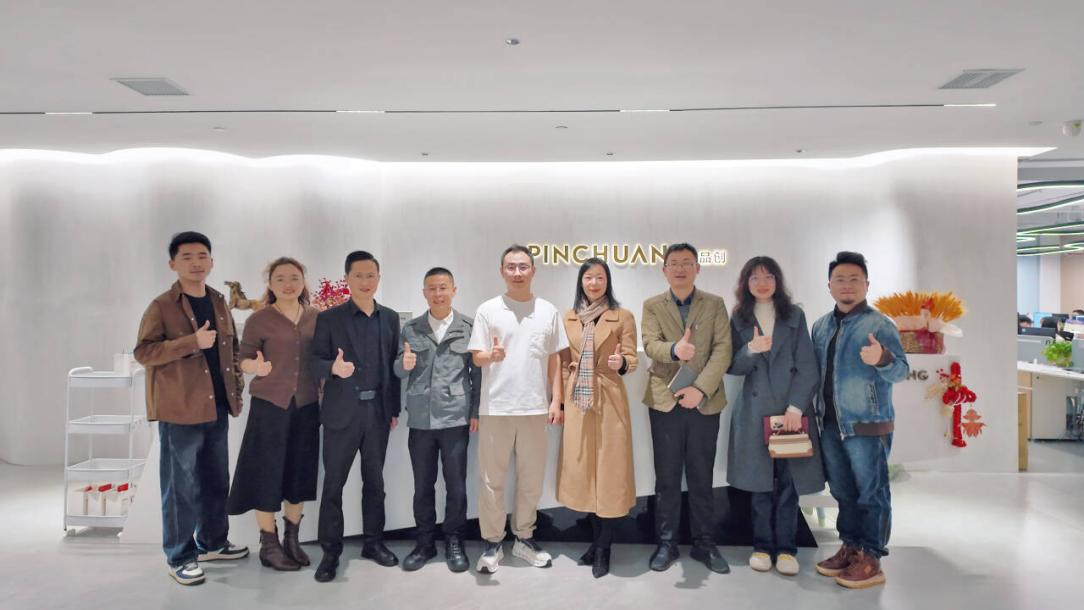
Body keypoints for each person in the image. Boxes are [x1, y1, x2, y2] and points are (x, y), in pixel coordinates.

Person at [133, 231, 248, 586]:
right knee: (179, 487)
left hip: (217, 406)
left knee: (215, 479)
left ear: (212, 262)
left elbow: (231, 350)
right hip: (180, 409)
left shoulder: (218, 300)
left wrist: (237, 389)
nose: (196, 263)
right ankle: (180, 557)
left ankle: (212, 542)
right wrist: (190, 342)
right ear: (172, 264)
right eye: (187, 257)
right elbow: (144, 352)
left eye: (202, 256)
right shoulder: (161, 306)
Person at [811, 251, 909, 589]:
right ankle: (851, 547)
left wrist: (882, 358)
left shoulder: (880, 325)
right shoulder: (821, 326)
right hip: (830, 425)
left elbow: (901, 371)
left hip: (867, 425)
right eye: (840, 279)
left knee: (872, 493)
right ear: (829, 286)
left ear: (867, 285)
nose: (847, 285)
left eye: (854, 279)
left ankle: (872, 556)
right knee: (842, 491)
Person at [468, 244, 568, 574]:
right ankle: (492, 543)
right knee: (491, 480)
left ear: (533, 270)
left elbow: (554, 360)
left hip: (535, 409)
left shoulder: (548, 311)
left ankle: (524, 538)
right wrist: (492, 356)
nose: (517, 272)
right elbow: (477, 357)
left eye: (523, 266)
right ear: (502, 271)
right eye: (511, 267)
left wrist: (556, 400)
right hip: (495, 408)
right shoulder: (488, 310)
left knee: (531, 480)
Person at [726, 256, 824, 576]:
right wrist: (750, 349)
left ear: (778, 281)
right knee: (760, 485)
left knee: (788, 485)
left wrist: (795, 407)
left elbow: (807, 366)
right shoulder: (738, 317)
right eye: (755, 278)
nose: (762, 283)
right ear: (746, 283)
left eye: (768, 276)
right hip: (755, 411)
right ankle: (762, 546)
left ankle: (786, 549)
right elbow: (732, 366)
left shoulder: (794, 315)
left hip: (790, 412)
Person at [309, 251, 402, 583]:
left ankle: (373, 544)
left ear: (378, 278)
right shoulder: (329, 319)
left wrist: (393, 409)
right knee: (334, 485)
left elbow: (392, 366)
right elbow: (314, 362)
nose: (365, 281)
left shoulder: (390, 318)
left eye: (371, 275)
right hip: (341, 415)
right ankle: (330, 552)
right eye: (358, 275)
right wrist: (332, 369)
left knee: (375, 483)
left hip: (377, 414)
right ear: (347, 278)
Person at [641, 242, 733, 574]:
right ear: (664, 270)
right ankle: (666, 544)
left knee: (701, 476)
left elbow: (723, 349)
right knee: (666, 478)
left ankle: (704, 544)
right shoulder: (652, 305)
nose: (680, 268)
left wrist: (699, 389)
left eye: (686, 262)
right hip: (665, 400)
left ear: (697, 268)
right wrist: (674, 350)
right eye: (674, 263)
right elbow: (650, 344)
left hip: (704, 402)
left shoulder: (715, 303)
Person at [226, 257, 320, 571]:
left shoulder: (316, 317)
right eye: (280, 278)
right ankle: (269, 543)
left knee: (299, 472)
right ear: (270, 283)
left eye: (294, 278)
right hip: (270, 406)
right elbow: (242, 359)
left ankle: (292, 539)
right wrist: (255, 366)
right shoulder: (260, 319)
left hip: (306, 405)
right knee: (266, 473)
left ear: (303, 282)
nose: (288, 284)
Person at [393, 267, 481, 573]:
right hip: (421, 420)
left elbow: (477, 374)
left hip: (455, 418)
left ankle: (454, 541)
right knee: (422, 486)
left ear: (454, 290)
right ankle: (425, 542)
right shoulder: (411, 329)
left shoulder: (468, 327)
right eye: (432, 288)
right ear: (424, 293)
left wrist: (475, 412)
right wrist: (403, 365)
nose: (438, 293)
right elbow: (397, 369)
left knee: (456, 486)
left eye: (443, 287)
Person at [557, 258, 638, 578]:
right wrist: (562, 400)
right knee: (584, 473)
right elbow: (563, 362)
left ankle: (604, 547)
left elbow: (631, 358)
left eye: (600, 277)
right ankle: (594, 542)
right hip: (578, 400)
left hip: (610, 399)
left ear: (608, 282)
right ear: (581, 282)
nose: (594, 283)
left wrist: (621, 363)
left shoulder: (623, 315)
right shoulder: (569, 317)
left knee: (609, 474)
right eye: (588, 277)